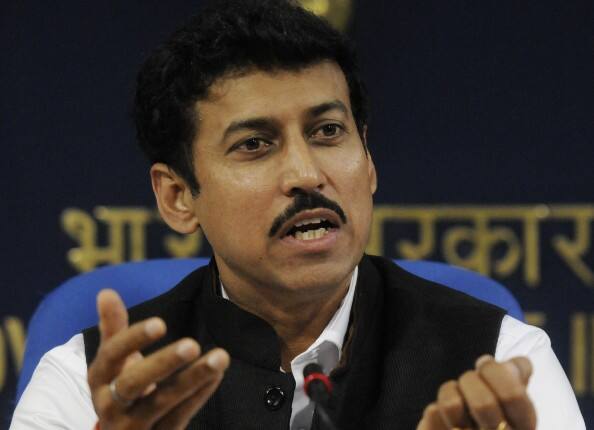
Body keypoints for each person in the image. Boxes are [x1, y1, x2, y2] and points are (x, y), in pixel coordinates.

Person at [10, 1, 585, 429]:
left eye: (327, 131)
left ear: (369, 161)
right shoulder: (86, 385)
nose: (307, 174)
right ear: (179, 196)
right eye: (255, 144)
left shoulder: (502, 364)